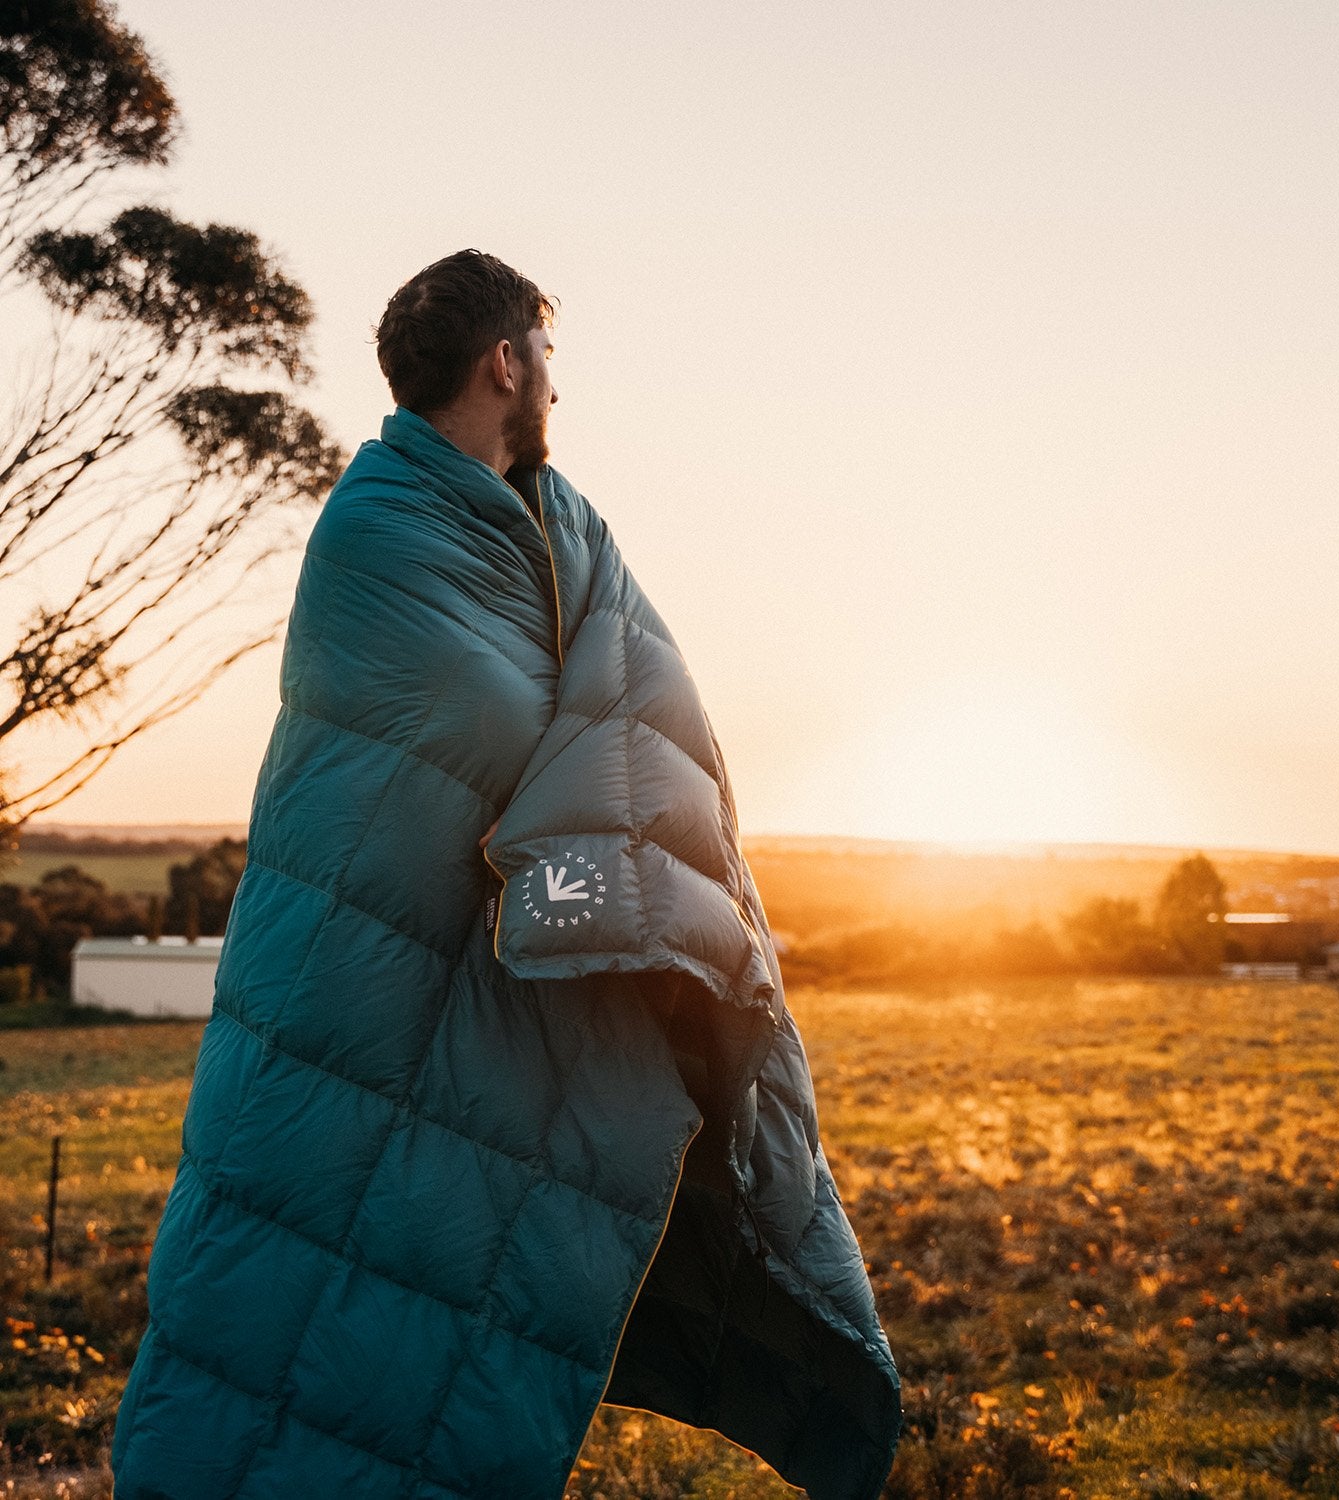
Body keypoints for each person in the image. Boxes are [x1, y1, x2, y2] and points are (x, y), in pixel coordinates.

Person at [110, 250, 901, 1500]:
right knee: (302, 1285)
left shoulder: (561, 527)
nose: (553, 382)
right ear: (507, 361)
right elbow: (483, 731)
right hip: (356, 983)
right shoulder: (379, 530)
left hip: (489, 983)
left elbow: (632, 703)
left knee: (447, 1305)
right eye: (547, 351)